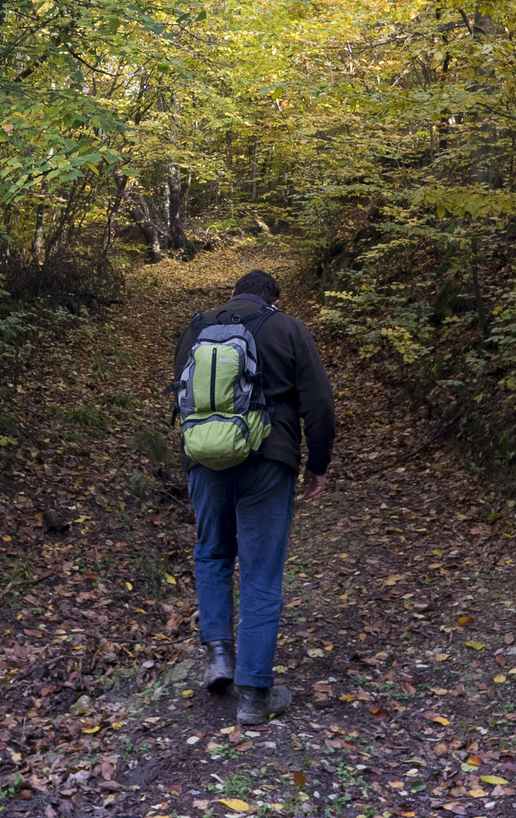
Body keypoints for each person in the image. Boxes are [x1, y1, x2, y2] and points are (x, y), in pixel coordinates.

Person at [173, 268, 335, 725]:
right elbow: (319, 403)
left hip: (206, 460)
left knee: (212, 553)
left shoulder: (197, 328)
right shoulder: (288, 328)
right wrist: (316, 465)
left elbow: (183, 397)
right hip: (270, 460)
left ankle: (219, 655)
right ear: (273, 300)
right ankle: (253, 698)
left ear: (232, 294)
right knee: (262, 574)